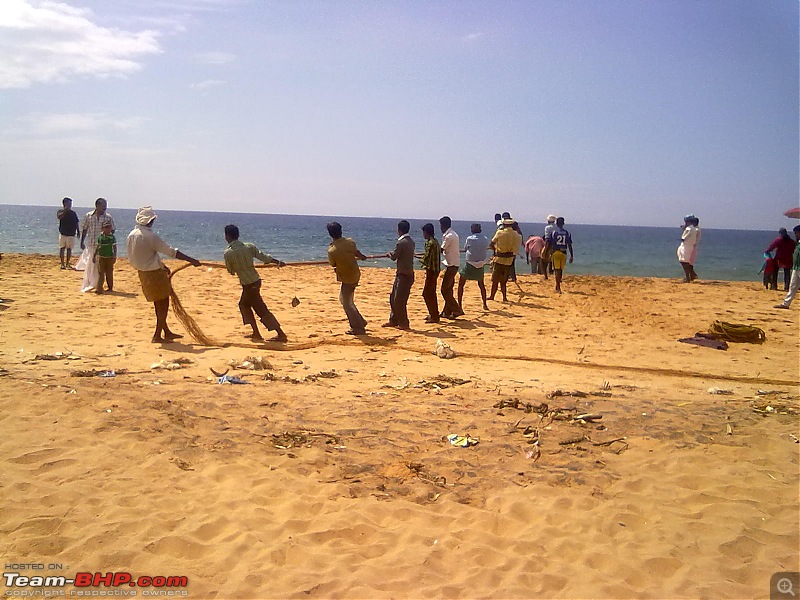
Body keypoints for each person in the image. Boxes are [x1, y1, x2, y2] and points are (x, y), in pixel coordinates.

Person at [126, 206, 200, 343]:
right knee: (163, 304)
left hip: (142, 273)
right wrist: (192, 260)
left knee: (157, 303)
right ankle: (157, 335)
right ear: (150, 221)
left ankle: (166, 331)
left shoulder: (132, 235)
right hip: (154, 273)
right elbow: (172, 252)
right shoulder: (150, 236)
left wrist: (163, 266)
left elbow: (143, 255)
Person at [224, 224, 288, 342]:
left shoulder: (228, 253)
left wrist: (238, 266)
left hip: (248, 284)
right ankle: (256, 332)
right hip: (255, 281)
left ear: (227, 236)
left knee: (259, 309)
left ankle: (280, 334)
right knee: (245, 305)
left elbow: (231, 271)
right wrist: (277, 262)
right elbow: (264, 258)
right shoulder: (249, 246)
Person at [327, 221, 368, 335]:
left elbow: (332, 264)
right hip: (354, 274)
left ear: (330, 234)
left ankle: (357, 327)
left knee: (347, 303)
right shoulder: (350, 242)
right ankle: (360, 321)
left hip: (347, 278)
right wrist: (362, 257)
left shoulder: (332, 250)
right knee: (344, 299)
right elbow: (357, 253)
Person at [383, 220, 415, 330]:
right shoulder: (411, 241)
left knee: (399, 300)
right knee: (393, 297)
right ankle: (394, 320)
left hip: (404, 275)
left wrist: (389, 254)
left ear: (399, 230)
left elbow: (394, 256)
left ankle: (403, 323)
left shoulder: (401, 243)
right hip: (404, 273)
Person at [79, 198, 115, 292]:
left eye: (106, 206)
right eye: (103, 206)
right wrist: (82, 242)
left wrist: (107, 237)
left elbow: (113, 230)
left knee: (101, 267)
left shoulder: (108, 217)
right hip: (92, 243)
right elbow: (85, 229)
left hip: (103, 246)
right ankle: (92, 283)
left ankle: (99, 285)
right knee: (92, 265)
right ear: (97, 206)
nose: (105, 208)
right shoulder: (89, 216)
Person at [488, 218, 522, 302]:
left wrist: (495, 251)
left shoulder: (500, 232)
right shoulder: (517, 235)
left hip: (499, 258)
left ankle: (492, 296)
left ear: (504, 225)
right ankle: (504, 297)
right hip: (509, 260)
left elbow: (491, 244)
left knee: (495, 280)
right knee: (504, 280)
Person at [457, 223, 489, 311]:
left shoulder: (470, 239)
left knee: (461, 284)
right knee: (481, 285)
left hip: (470, 264)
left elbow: (466, 248)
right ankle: (485, 304)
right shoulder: (485, 239)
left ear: (472, 230)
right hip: (481, 264)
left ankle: (459, 305)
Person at [439, 216, 463, 319]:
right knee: (449, 289)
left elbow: (441, 248)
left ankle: (457, 310)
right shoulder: (454, 234)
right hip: (453, 263)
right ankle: (447, 311)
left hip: (451, 265)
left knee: (444, 289)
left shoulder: (449, 236)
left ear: (443, 225)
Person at [419, 223, 441, 323]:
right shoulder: (435, 242)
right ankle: (434, 314)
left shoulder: (430, 243)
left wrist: (417, 259)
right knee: (431, 293)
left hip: (431, 271)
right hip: (435, 270)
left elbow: (427, 257)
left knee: (427, 293)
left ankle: (434, 316)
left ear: (426, 232)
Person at [775, 225, 800, 309]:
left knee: (792, 284)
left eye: (796, 233)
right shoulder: (796, 242)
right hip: (796, 267)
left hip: (797, 266)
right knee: (792, 286)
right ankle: (786, 303)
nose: (795, 234)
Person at [765, 227, 797, 292]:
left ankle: (774, 286)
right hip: (788, 259)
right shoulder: (791, 241)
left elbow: (772, 246)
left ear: (780, 233)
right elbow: (794, 249)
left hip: (779, 258)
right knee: (787, 274)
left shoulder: (778, 240)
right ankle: (786, 287)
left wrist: (767, 251)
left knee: (775, 272)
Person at [547, 217, 574, 294]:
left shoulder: (554, 232)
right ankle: (557, 285)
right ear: (563, 223)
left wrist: (547, 253)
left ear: (556, 223)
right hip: (564, 252)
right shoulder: (567, 233)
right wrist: (571, 255)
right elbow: (569, 245)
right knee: (561, 270)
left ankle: (558, 287)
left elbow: (550, 243)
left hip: (556, 252)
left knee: (557, 270)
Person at [93, 221, 116, 294]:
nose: (107, 229)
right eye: (106, 227)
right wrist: (94, 255)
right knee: (101, 273)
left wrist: (114, 256)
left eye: (109, 227)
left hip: (109, 257)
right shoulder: (100, 237)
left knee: (109, 273)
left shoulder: (112, 237)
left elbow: (114, 247)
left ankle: (110, 287)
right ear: (103, 228)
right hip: (101, 257)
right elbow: (98, 246)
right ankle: (99, 288)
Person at [57, 197, 80, 269]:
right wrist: (65, 211)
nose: (70, 205)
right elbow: (59, 217)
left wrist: (78, 231)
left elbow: (76, 222)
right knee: (62, 248)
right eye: (69, 204)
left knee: (69, 249)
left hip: (71, 233)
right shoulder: (60, 211)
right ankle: (62, 264)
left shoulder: (73, 213)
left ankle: (67, 263)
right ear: (64, 204)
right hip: (63, 232)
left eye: (70, 204)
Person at [677, 215, 701, 283]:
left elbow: (684, 238)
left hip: (686, 246)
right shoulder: (693, 229)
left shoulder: (690, 229)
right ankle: (690, 275)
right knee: (686, 261)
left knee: (684, 262)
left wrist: (684, 230)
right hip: (688, 246)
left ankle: (688, 277)